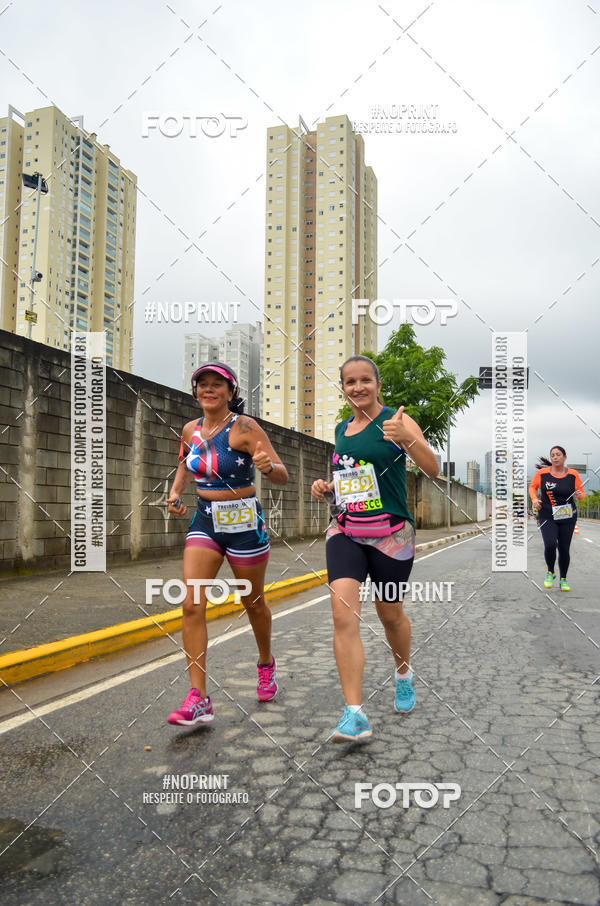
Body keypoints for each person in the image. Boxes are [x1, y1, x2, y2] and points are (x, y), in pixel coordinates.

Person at [311, 355, 439, 742]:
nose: (358, 387)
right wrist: (328, 487)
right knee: (343, 616)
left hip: (391, 536)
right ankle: (354, 714)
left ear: (378, 385)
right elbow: (351, 478)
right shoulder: (342, 428)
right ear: (343, 388)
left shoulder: (396, 421)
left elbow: (432, 469)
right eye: (350, 382)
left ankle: (403, 674)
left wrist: (406, 438)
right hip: (346, 531)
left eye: (365, 380)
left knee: (390, 615)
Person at [166, 362, 288, 726]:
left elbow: (282, 475)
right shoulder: (190, 429)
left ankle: (265, 663)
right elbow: (185, 464)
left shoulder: (245, 428)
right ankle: (198, 697)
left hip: (244, 524)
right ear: (195, 392)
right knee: (191, 604)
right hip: (205, 521)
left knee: (253, 602)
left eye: (217, 384)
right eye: (202, 384)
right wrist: (175, 492)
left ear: (231, 392)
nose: (209, 389)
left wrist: (267, 467)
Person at [529, 446, 584, 592]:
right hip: (547, 515)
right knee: (550, 544)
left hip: (567, 516)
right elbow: (532, 487)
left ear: (564, 457)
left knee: (564, 548)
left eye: (558, 454)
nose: (555, 457)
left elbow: (581, 493)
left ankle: (563, 579)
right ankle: (550, 572)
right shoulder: (542, 474)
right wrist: (534, 499)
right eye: (552, 455)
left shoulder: (573, 474)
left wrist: (579, 495)